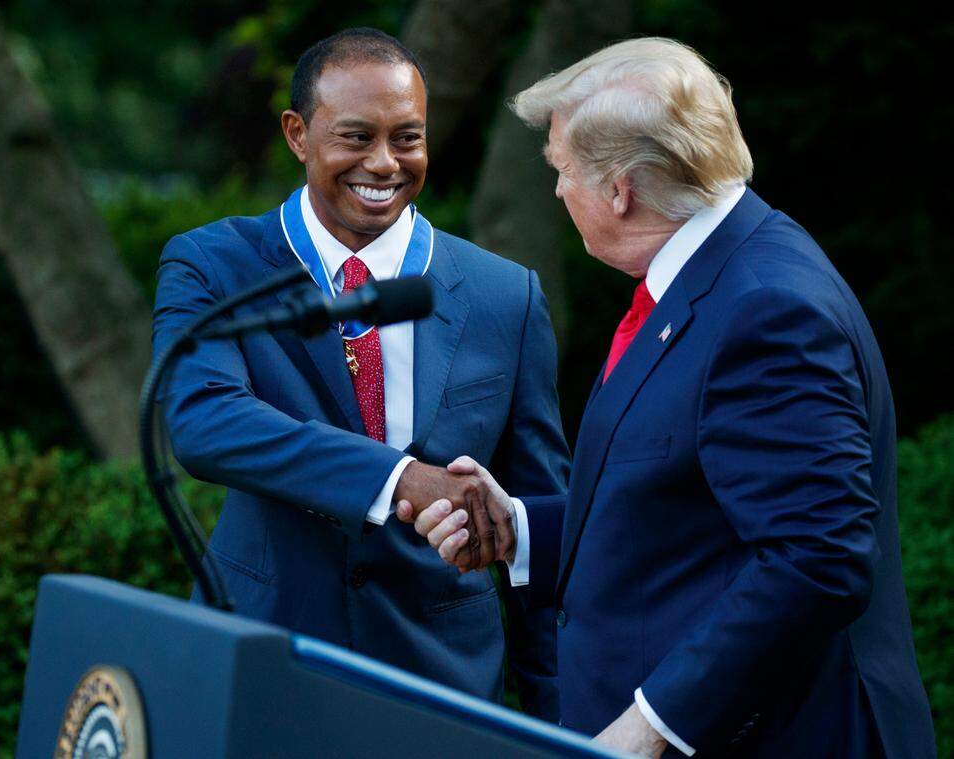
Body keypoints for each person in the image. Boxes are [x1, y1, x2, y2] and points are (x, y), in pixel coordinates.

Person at [401, 37, 935, 757]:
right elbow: (689, 514)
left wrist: (651, 724)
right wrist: (522, 529)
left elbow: (817, 557)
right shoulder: (710, 271)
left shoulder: (768, 307)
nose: (557, 191)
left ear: (620, 189)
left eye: (562, 169)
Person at [151, 28, 568, 716]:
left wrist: (563, 721)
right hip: (263, 657)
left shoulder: (505, 295)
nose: (384, 163)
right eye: (355, 137)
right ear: (297, 133)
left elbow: (532, 518)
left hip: (441, 682)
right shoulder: (215, 263)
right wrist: (398, 477)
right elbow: (203, 421)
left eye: (407, 138)